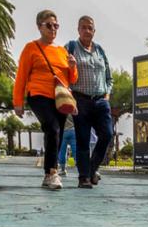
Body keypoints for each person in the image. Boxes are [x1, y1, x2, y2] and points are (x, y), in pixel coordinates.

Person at [14, 10, 77, 190]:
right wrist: (18, 102)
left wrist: (72, 67)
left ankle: (50, 172)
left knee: (56, 134)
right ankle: (52, 173)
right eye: (48, 25)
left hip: (60, 98)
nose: (53, 29)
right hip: (39, 95)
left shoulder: (62, 51)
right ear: (39, 27)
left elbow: (71, 79)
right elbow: (21, 77)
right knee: (52, 128)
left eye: (56, 25)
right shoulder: (31, 48)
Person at [64, 16, 114, 189]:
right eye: (83, 27)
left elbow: (109, 77)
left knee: (107, 134)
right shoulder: (70, 48)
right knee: (83, 140)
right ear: (78, 30)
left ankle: (92, 169)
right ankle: (84, 177)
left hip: (101, 101)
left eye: (90, 28)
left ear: (94, 31)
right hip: (81, 100)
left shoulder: (100, 50)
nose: (87, 31)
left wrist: (107, 94)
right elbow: (63, 74)